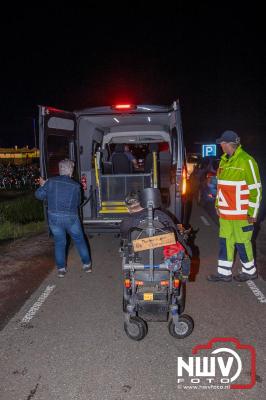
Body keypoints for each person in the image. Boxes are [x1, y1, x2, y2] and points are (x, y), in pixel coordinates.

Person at [207, 130, 262, 282]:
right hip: (225, 214)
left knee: (242, 243)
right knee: (225, 242)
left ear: (227, 144)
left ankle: (250, 271)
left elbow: (256, 190)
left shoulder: (247, 161)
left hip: (241, 214)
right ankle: (224, 273)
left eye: (222, 144)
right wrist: (218, 204)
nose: (221, 146)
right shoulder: (224, 161)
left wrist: (252, 213)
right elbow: (221, 187)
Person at [35, 159, 91, 278]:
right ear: (71, 171)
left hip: (54, 218)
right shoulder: (76, 186)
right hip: (71, 218)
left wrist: (44, 185)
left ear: (60, 170)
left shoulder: (50, 182)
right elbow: (78, 202)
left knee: (60, 242)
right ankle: (87, 265)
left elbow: (39, 195)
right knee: (80, 241)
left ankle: (61, 269)